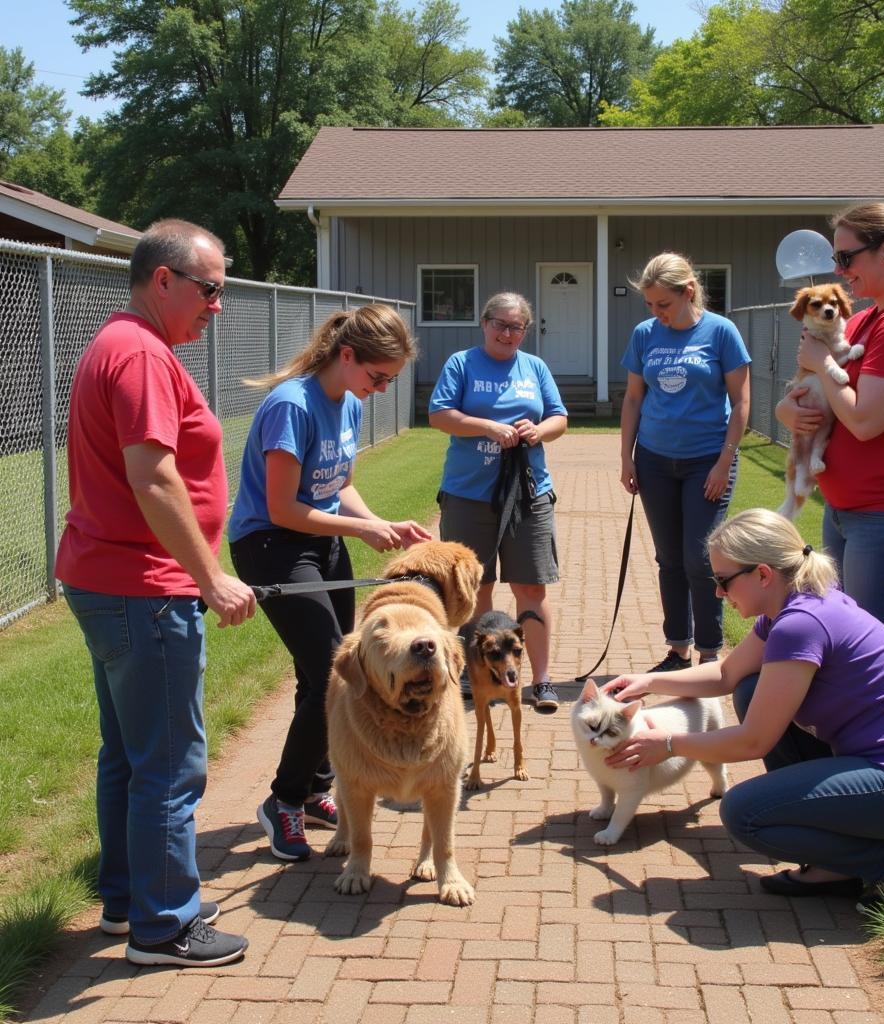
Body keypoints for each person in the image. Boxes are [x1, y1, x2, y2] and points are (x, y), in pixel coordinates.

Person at [601, 508, 884, 908]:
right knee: (748, 688)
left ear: (762, 575)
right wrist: (649, 681)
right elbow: (728, 673)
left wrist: (670, 745)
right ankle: (837, 864)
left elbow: (754, 742)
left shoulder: (800, 623)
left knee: (745, 813)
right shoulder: (792, 606)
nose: (717, 593)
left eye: (723, 580)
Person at [56, 219, 256, 968]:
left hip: (109, 579)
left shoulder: (124, 344)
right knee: (170, 765)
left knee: (131, 756)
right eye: (209, 290)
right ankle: (165, 927)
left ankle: (124, 902)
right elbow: (154, 475)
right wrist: (211, 577)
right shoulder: (140, 354)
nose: (217, 305)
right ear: (163, 280)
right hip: (144, 588)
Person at [228, 305, 430, 862]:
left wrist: (376, 523)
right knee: (335, 678)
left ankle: (317, 787)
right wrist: (364, 528)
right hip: (271, 546)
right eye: (378, 377)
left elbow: (338, 487)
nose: (382, 389)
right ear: (347, 356)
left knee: (328, 671)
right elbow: (283, 508)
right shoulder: (291, 406)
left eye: (389, 379)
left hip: (322, 543)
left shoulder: (348, 403)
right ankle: (283, 801)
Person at [776, 203, 884, 646]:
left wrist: (818, 362)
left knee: (871, 653)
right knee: (845, 642)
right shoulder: (865, 319)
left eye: (846, 258)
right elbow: (808, 393)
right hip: (852, 510)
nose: (839, 270)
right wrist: (788, 411)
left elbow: (865, 421)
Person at [428, 292, 568, 712]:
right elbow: (439, 414)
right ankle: (477, 675)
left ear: (526, 330)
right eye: (500, 325)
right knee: (476, 588)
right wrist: (487, 427)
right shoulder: (461, 364)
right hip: (469, 494)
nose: (508, 334)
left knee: (531, 587)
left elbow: (559, 417)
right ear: (484, 323)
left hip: (528, 494)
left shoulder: (534, 368)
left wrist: (538, 431)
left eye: (516, 327)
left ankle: (541, 681)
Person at [620, 252, 751, 673]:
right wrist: (627, 456)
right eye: (650, 305)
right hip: (655, 460)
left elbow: (742, 400)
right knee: (669, 558)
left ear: (688, 292)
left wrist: (724, 462)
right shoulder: (645, 334)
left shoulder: (721, 332)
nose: (656, 314)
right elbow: (634, 398)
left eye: (664, 304)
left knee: (702, 558)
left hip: (706, 461)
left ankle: (710, 653)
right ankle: (678, 650)